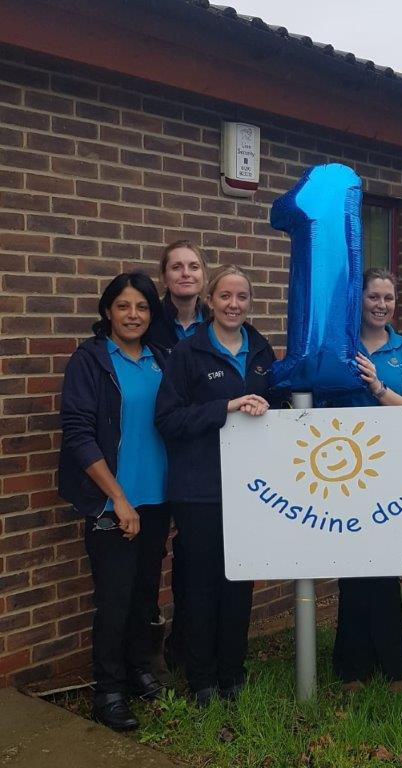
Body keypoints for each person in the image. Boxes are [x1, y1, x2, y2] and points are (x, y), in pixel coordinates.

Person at [155, 265, 275, 707]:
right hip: (200, 489)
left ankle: (232, 672)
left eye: (241, 297)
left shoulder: (262, 352)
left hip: (250, 490)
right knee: (201, 586)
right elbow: (167, 419)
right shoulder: (189, 353)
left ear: (249, 302)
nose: (233, 305)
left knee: (239, 583)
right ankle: (202, 678)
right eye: (225, 296)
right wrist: (224, 407)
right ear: (210, 300)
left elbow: (278, 409)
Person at [58, 272, 169, 731]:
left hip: (157, 499)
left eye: (141, 307)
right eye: (123, 306)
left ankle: (138, 669)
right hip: (113, 504)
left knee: (145, 594)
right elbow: (79, 436)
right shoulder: (90, 361)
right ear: (108, 312)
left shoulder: (160, 359)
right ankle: (107, 690)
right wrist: (118, 499)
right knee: (115, 599)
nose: (133, 315)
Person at [331, 268, 402, 693]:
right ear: (360, 299)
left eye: (388, 298)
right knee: (350, 569)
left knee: (386, 573)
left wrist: (376, 385)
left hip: (392, 473)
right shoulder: (338, 346)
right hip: (343, 472)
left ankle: (394, 667)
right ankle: (351, 668)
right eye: (374, 296)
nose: (381, 304)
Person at [146, 240, 210, 674]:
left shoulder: (221, 324)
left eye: (193, 266)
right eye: (176, 267)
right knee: (148, 561)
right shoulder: (149, 325)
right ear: (164, 277)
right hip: (154, 452)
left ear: (203, 276)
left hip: (200, 462)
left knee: (192, 562)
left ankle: (187, 649)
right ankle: (146, 654)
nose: (185, 274)